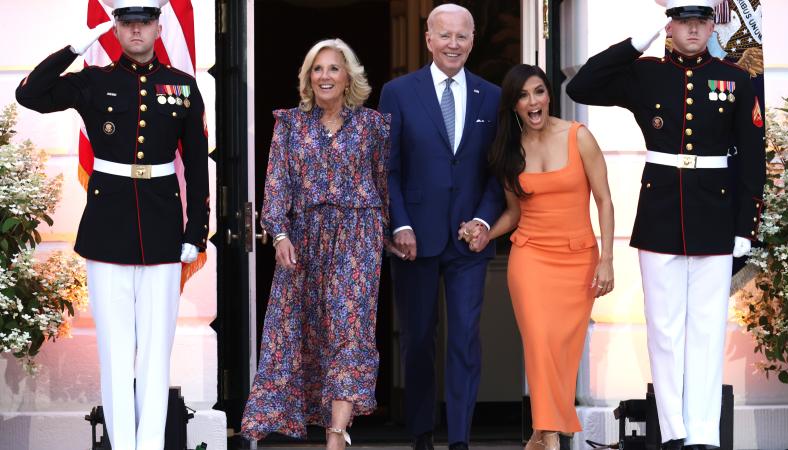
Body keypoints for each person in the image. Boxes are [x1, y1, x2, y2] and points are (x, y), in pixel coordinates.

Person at [566, 1, 765, 449]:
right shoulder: (646, 72)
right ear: (670, 25)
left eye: (701, 21)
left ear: (713, 25)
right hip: (659, 213)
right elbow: (582, 85)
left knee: (707, 330)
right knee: (664, 329)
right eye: (683, 22)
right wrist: (639, 40)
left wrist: (743, 228)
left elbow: (752, 157)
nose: (693, 30)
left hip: (715, 216)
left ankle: (704, 435)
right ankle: (674, 431)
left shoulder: (736, 78)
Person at [15, 1, 209, 449]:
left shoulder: (181, 86)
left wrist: (194, 233)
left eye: (144, 22)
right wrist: (74, 47)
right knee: (116, 355)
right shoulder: (91, 81)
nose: (136, 30)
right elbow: (31, 94)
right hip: (107, 230)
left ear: (159, 27)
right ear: (116, 29)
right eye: (127, 23)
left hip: (163, 233)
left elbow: (197, 167)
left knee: (156, 356)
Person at [239, 38, 390, 450]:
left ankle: (336, 434)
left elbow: (383, 183)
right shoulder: (288, 124)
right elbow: (276, 188)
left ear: (348, 78)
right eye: (317, 69)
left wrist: (387, 233)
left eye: (333, 69)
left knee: (351, 330)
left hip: (357, 236)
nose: (325, 76)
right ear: (309, 77)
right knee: (300, 333)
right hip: (304, 239)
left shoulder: (373, 125)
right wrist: (280, 234)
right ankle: (318, 423)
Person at [378, 4, 504, 449]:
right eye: (444, 35)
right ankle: (421, 433)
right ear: (428, 39)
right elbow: (387, 168)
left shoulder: (492, 95)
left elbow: (498, 172)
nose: (453, 44)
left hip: (469, 242)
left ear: (473, 40)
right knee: (417, 340)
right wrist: (401, 225)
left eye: (462, 36)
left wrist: (486, 220)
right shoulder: (398, 92)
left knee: (465, 339)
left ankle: (460, 438)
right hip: (415, 239)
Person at [482, 64, 614, 450]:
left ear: (548, 95)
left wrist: (607, 259)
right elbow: (514, 213)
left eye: (538, 92)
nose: (532, 101)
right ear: (514, 106)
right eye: (523, 96)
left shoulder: (579, 137)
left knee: (562, 349)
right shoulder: (508, 149)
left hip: (578, 260)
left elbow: (604, 200)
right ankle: (552, 436)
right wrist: (487, 232)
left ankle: (539, 435)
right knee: (539, 342)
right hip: (530, 257)